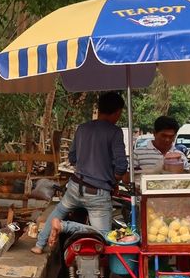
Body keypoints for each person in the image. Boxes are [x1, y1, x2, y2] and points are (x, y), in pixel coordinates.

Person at [32, 91, 128, 253]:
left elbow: (72, 158)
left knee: (59, 210)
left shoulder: (82, 128)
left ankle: (39, 245)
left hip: (75, 186)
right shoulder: (115, 132)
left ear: (100, 109)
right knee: (104, 236)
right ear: (118, 112)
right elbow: (121, 166)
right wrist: (113, 180)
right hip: (98, 193)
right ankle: (63, 226)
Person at [132, 116, 186, 182]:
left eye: (171, 136)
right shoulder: (137, 154)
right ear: (154, 133)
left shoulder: (181, 156)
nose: (167, 139)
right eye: (164, 136)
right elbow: (127, 178)